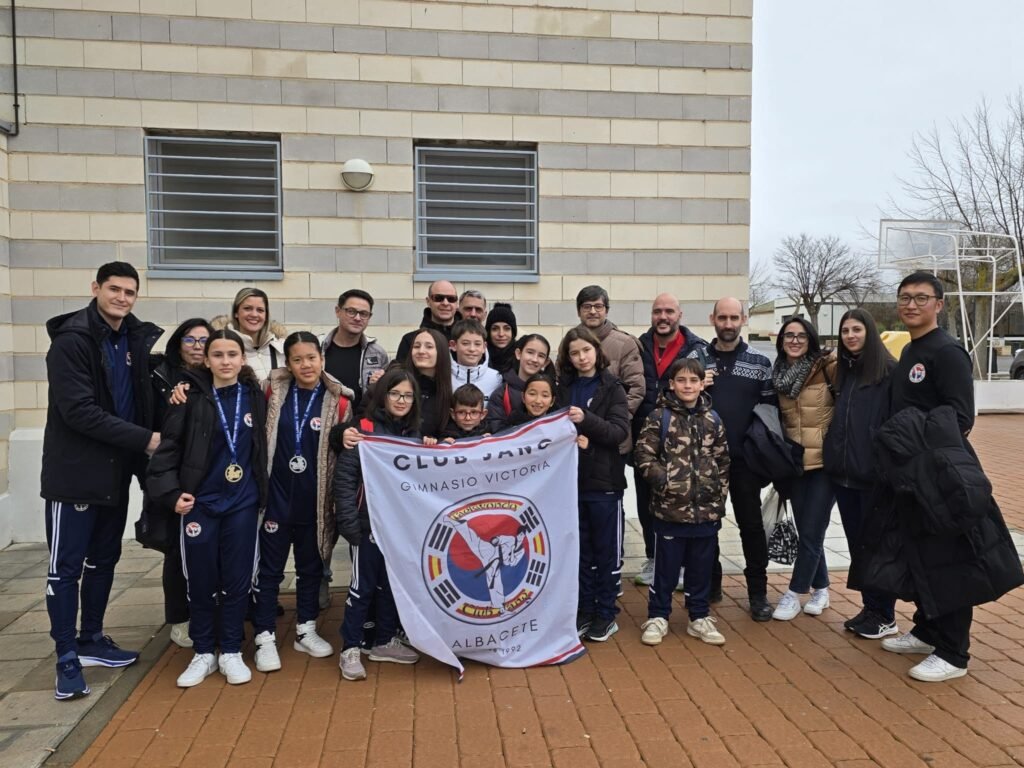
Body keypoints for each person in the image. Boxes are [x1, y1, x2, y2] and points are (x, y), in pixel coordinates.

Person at [863, 272, 1023, 682]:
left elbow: (960, 417)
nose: (911, 304)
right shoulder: (911, 349)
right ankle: (928, 630)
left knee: (949, 559)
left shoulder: (947, 352)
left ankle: (954, 653)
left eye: (921, 298)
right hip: (907, 474)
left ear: (939, 304)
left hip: (936, 476)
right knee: (920, 553)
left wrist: (917, 447)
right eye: (905, 297)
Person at [43, 262, 163, 701]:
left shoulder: (133, 338)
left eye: (130, 292)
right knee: (65, 569)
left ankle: (91, 638)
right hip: (75, 475)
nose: (122, 298)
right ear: (96, 288)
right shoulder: (72, 341)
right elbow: (79, 411)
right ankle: (66, 657)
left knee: (103, 560)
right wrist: (147, 439)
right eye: (114, 289)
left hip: (116, 472)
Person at [147, 329, 269, 688]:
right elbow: (167, 451)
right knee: (200, 580)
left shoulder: (255, 396)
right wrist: (172, 494)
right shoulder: (189, 397)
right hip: (199, 504)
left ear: (243, 359)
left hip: (242, 502)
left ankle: (230, 650)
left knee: (237, 579)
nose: (226, 361)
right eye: (218, 354)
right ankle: (203, 651)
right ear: (207, 359)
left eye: (232, 354)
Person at [251, 332, 354, 673]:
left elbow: (345, 449)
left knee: (312, 568)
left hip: (316, 502)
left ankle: (305, 629)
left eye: (311, 357)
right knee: (270, 570)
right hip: (276, 498)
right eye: (297, 359)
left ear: (321, 359)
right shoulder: (272, 391)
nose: (305, 365)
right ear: (289, 363)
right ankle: (265, 635)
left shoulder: (339, 401)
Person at [690, 298, 776, 621]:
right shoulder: (696, 359)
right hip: (705, 461)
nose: (728, 324)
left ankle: (758, 593)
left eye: (733, 317)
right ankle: (711, 584)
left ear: (744, 319)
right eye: (722, 317)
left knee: (751, 527)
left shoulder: (760, 362)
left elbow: (770, 412)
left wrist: (762, 454)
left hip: (744, 461)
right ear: (712, 318)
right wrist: (697, 387)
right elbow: (676, 401)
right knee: (706, 526)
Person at [634, 358, 730, 646]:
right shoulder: (658, 417)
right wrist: (666, 482)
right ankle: (658, 615)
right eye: (681, 380)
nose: (687, 386)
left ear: (702, 384)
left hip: (706, 511)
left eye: (693, 381)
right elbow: (643, 455)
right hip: (669, 510)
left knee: (701, 567)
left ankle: (699, 616)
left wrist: (718, 494)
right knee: (666, 568)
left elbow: (723, 460)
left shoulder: (713, 419)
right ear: (672, 384)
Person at [335, 368, 423, 681]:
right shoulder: (363, 430)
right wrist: (349, 523)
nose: (401, 400)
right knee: (362, 588)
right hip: (368, 525)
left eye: (408, 395)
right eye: (395, 393)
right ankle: (350, 647)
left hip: (399, 529)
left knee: (391, 586)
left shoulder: (413, 434)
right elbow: (345, 479)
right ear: (383, 395)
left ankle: (384, 641)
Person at [822, 309, 898, 639]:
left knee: (877, 547)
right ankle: (871, 608)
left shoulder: (889, 372)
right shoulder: (844, 371)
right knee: (858, 546)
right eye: (845, 331)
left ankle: (885, 614)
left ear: (870, 331)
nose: (851, 336)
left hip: (873, 477)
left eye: (857, 329)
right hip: (844, 475)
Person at [556, 328, 630, 643]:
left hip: (605, 485)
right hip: (571, 484)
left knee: (606, 553)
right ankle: (585, 610)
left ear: (596, 351)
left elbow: (618, 433)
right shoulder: (563, 387)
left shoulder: (613, 388)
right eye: (574, 353)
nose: (581, 357)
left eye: (586, 350)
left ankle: (606, 613)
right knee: (581, 553)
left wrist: (586, 420)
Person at [148, 318, 215, 650]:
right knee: (177, 549)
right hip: (173, 473)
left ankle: (209, 611)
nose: (197, 347)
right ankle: (179, 617)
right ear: (178, 344)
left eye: (204, 341)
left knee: (206, 548)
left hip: (208, 476)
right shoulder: (162, 379)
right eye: (190, 340)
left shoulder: (215, 379)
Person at [632, 293, 705, 588]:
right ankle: (654, 557)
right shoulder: (638, 346)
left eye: (669, 311)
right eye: (657, 311)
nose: (663, 317)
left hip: (683, 442)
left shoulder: (698, 349)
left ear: (679, 315)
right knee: (646, 502)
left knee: (681, 501)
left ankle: (683, 564)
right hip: (646, 439)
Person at [770, 317, 838, 621]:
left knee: (812, 530)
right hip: (796, 465)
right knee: (808, 530)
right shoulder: (778, 374)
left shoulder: (828, 367)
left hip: (826, 463)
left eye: (801, 335)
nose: (794, 340)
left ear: (810, 339)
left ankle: (795, 592)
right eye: (789, 335)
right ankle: (821, 588)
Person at [574, 285, 644, 449]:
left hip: (612, 439)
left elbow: (636, 389)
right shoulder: (570, 342)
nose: (592, 311)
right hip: (576, 437)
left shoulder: (625, 343)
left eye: (598, 306)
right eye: (587, 306)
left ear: (606, 310)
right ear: (578, 311)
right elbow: (561, 383)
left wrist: (614, 424)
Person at [320, 289, 388, 412]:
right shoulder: (318, 348)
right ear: (338, 311)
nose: (357, 318)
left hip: (362, 421)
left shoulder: (378, 354)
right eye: (351, 311)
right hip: (321, 419)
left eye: (364, 314)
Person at [213, 288, 286, 381]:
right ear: (236, 313)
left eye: (260, 310)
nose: (254, 314)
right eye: (247, 308)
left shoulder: (281, 349)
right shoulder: (220, 348)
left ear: (266, 315)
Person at [486, 334, 553, 432]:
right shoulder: (501, 394)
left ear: (546, 362)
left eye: (541, 356)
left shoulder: (552, 390)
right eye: (530, 352)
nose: (534, 359)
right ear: (518, 354)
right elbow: (496, 429)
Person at [396, 281, 461, 362]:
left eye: (451, 299)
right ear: (428, 301)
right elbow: (400, 369)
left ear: (457, 303)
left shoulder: (469, 340)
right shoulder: (410, 340)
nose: (445, 303)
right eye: (438, 298)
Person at [450, 319, 502, 396]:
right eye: (465, 343)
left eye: (477, 344)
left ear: (484, 347)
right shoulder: (442, 375)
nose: (472, 349)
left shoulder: (495, 378)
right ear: (453, 345)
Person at [485, 302, 518, 373]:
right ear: (488, 332)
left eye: (507, 329)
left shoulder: (521, 359)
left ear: (513, 332)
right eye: (495, 329)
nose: (501, 334)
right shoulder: (479, 357)